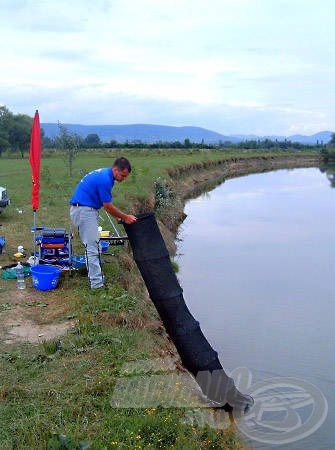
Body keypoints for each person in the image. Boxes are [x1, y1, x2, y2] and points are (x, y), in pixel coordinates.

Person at [69, 157, 137, 289]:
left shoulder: (106, 175)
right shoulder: (105, 180)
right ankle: (97, 285)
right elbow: (107, 206)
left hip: (85, 209)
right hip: (83, 211)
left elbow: (103, 201)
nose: (123, 179)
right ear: (116, 170)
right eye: (123, 176)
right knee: (92, 247)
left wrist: (119, 217)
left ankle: (98, 278)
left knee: (95, 245)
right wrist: (125, 217)